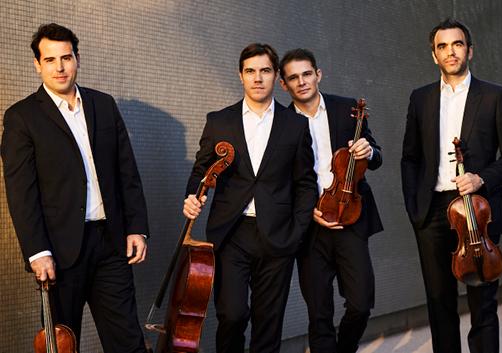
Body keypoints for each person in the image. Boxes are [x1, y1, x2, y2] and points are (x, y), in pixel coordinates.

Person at [1, 23, 149, 352]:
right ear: (37, 64)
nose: (60, 67)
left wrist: (136, 227)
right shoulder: (21, 117)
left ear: (77, 58)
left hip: (110, 245)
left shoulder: (103, 105)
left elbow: (127, 171)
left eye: (66, 57)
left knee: (128, 340)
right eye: (50, 60)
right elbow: (21, 192)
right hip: (58, 253)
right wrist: (38, 252)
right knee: (64, 345)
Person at [401, 18, 502, 353]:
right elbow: (410, 158)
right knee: (439, 303)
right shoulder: (421, 98)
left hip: (478, 211)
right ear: (434, 55)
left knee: (483, 302)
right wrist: (416, 210)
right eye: (442, 46)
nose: (450, 52)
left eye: (457, 44)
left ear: (469, 50)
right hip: (432, 214)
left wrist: (482, 177)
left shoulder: (494, 96)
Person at [183, 43, 318, 353]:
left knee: (268, 322)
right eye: (250, 71)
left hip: (278, 234)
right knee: (232, 314)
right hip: (232, 233)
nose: (258, 78)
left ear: (275, 77)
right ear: (240, 76)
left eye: (265, 71)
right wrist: (193, 195)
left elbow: (305, 183)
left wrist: (296, 232)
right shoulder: (220, 121)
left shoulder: (296, 125)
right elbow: (201, 171)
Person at [279, 48, 383, 353]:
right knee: (319, 313)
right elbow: (277, 179)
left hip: (350, 217)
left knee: (361, 303)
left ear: (318, 74)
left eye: (307, 74)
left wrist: (369, 151)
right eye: (293, 78)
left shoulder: (347, 109)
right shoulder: (281, 122)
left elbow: (376, 156)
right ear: (284, 85)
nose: (302, 82)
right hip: (309, 225)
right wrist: (305, 211)